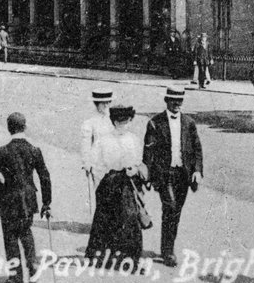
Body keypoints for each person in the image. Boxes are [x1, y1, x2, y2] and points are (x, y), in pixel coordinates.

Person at [0, 112, 52, 283]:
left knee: (10, 238)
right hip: (28, 200)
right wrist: (47, 203)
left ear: (8, 128)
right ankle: (33, 266)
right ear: (25, 127)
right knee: (26, 232)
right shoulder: (34, 150)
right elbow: (45, 176)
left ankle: (16, 277)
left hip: (8, 199)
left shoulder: (2, 151)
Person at [143, 86, 203, 267]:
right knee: (170, 207)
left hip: (183, 174)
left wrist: (197, 170)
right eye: (173, 101)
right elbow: (148, 151)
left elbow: (197, 149)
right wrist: (147, 174)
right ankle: (168, 252)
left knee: (176, 211)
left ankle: (167, 246)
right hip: (164, 174)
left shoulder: (189, 123)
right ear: (166, 101)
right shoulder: (155, 123)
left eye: (180, 101)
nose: (177, 105)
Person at [86, 104, 147, 268]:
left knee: (130, 218)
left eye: (125, 121)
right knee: (105, 218)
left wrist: (134, 169)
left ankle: (130, 259)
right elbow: (96, 163)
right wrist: (101, 179)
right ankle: (102, 257)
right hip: (110, 181)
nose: (122, 125)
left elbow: (139, 160)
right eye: (119, 122)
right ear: (113, 122)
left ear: (130, 120)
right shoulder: (103, 140)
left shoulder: (133, 139)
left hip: (127, 183)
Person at [81, 89, 115, 183]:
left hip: (114, 161)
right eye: (102, 103)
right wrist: (86, 163)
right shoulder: (90, 122)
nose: (106, 105)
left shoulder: (113, 119)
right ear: (96, 103)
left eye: (108, 102)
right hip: (98, 163)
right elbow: (86, 144)